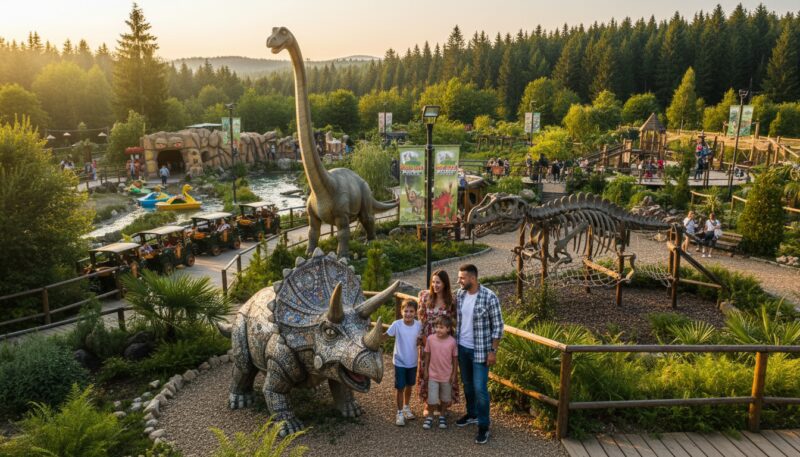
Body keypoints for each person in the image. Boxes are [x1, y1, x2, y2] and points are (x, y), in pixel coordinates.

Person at [455, 264, 503, 445]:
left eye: (462, 278)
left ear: (472, 279)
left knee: (480, 389)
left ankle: (484, 426)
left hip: (481, 351)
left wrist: (493, 351)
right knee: (467, 385)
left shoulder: (489, 297)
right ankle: (472, 414)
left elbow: (498, 327)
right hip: (462, 347)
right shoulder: (460, 294)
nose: (459, 281)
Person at [417, 270, 458, 417]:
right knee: (427, 371)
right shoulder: (425, 296)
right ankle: (429, 403)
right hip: (427, 340)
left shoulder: (451, 301)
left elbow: (453, 322)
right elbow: (421, 319)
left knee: (445, 370)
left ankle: (443, 404)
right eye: (433, 282)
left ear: (445, 283)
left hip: (445, 343)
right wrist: (423, 339)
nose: (435, 285)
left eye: (438, 282)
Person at [386, 299, 422, 426]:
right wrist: (375, 340)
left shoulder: (419, 325)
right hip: (400, 361)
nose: (408, 314)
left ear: (416, 312)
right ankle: (400, 412)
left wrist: (420, 341)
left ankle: (406, 407)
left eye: (411, 311)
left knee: (409, 385)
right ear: (401, 311)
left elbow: (420, 340)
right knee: (400, 387)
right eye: (405, 311)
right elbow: (386, 335)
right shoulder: (397, 324)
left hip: (412, 361)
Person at [421, 316, 458, 430]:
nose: (438, 330)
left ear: (448, 328)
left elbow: (455, 359)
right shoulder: (431, 339)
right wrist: (426, 370)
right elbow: (427, 356)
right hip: (433, 375)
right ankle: (430, 416)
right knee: (432, 399)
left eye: (441, 327)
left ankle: (442, 415)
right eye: (436, 327)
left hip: (446, 376)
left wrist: (453, 374)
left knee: (445, 399)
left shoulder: (452, 341)